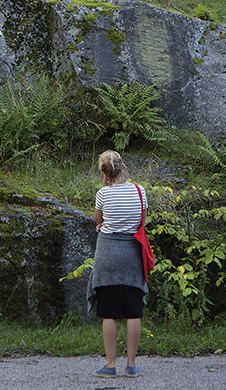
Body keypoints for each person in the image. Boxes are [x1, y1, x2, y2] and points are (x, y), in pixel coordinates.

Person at [87, 149, 147, 379]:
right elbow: (142, 221)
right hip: (132, 253)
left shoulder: (103, 194)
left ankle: (110, 364)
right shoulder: (140, 191)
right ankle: (131, 364)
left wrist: (104, 225)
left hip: (108, 255)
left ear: (105, 173)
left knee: (109, 313)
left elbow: (98, 221)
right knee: (133, 311)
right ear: (123, 166)